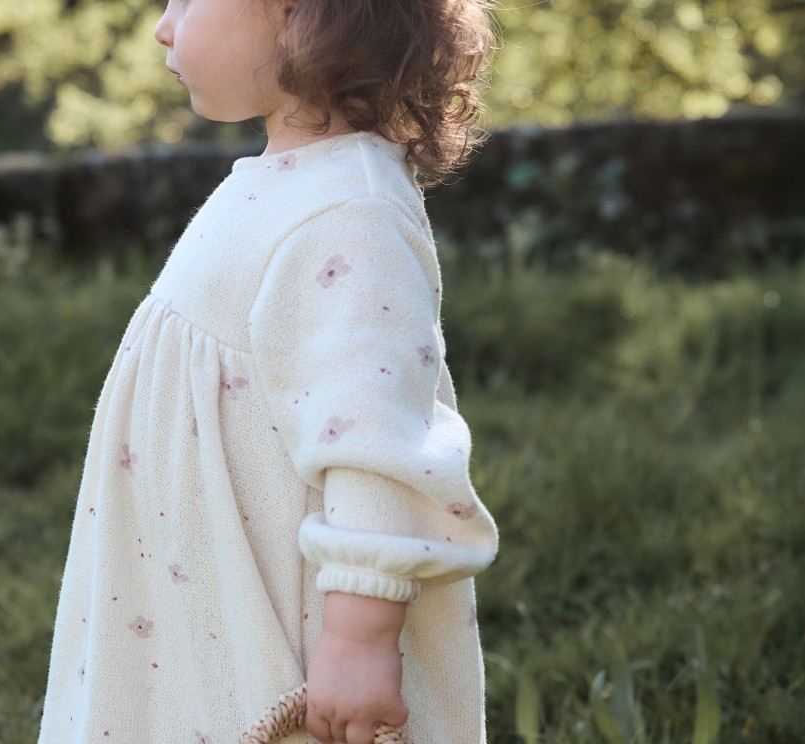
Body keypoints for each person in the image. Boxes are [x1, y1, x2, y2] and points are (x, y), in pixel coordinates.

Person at [37, 0, 499, 741]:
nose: (163, 26)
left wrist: (358, 637)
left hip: (289, 627)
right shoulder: (291, 180)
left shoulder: (351, 211)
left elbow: (377, 445)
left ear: (300, 15)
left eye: (186, 0)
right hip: (198, 590)